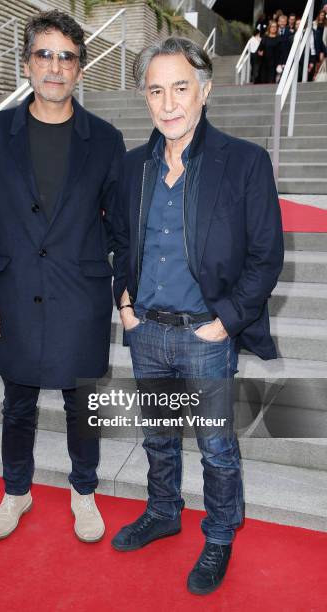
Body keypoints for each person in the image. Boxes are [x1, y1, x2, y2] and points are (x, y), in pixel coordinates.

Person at [111, 37, 284, 595]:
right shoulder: (132, 166)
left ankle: (218, 536)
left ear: (205, 90)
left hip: (205, 336)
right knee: (158, 437)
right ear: (144, 98)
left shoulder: (245, 162)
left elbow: (266, 256)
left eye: (180, 87)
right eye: (156, 91)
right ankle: (163, 511)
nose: (169, 103)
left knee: (215, 446)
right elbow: (117, 241)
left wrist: (227, 320)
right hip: (148, 332)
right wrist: (125, 303)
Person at [0, 10, 125, 542]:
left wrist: (123, 292)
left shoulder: (104, 139)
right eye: (44, 55)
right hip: (15, 291)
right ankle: (16, 492)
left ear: (81, 68)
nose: (55, 67)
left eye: (67, 57)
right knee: (18, 403)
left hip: (81, 296)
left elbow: (122, 229)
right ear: (27, 64)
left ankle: (84, 493)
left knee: (83, 404)